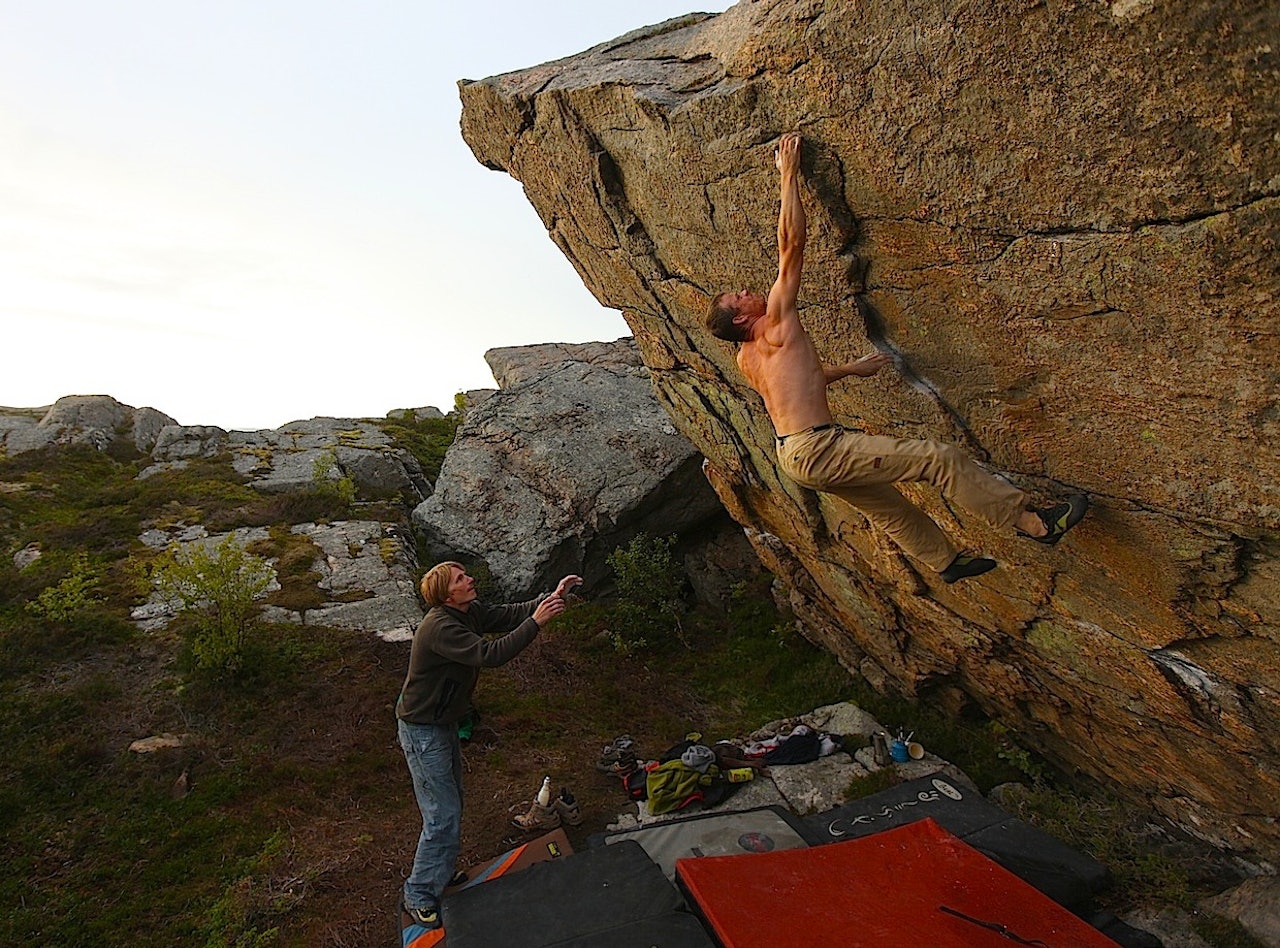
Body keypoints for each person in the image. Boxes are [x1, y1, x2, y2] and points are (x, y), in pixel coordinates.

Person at [705, 132, 1086, 583]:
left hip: (794, 457)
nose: (748, 291)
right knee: (938, 459)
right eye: (739, 297)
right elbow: (791, 246)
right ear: (741, 321)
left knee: (888, 507)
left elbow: (794, 387)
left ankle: (945, 562)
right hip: (819, 447)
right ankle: (1036, 525)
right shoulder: (773, 324)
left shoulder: (748, 359)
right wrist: (788, 174)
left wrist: (850, 369)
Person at [396, 561, 581, 929]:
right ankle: (418, 894)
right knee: (441, 814)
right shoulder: (440, 627)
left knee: (451, 806)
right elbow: (490, 655)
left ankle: (439, 874)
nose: (470, 579)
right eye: (461, 579)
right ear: (448, 594)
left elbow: (508, 613)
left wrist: (552, 597)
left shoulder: (468, 610)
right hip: (422, 731)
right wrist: (538, 623)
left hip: (442, 724)